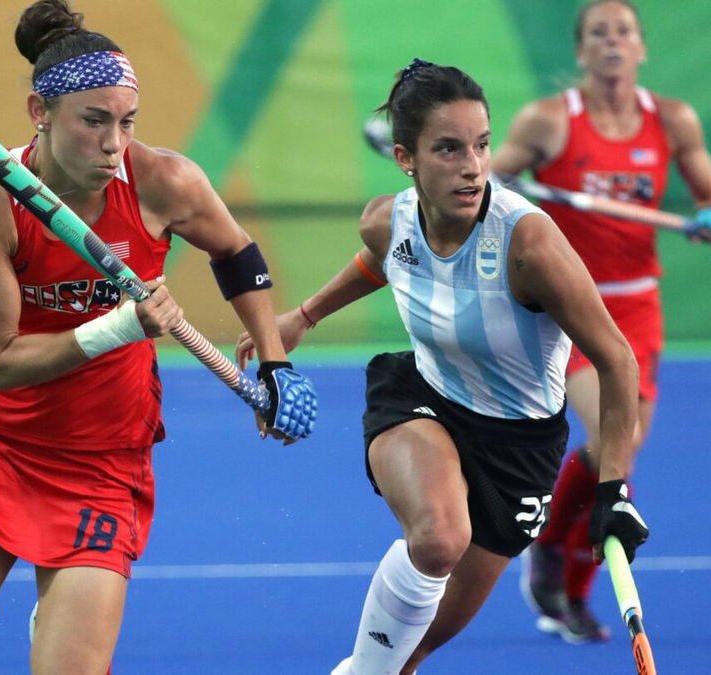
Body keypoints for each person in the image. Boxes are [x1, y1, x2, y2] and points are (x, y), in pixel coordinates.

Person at [0, 1, 316, 672]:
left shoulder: (163, 182)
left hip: (103, 458)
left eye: (126, 122)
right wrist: (120, 326)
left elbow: (238, 254)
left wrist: (274, 364)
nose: (113, 144)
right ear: (39, 112)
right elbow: (2, 361)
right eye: (93, 121)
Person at [236, 58, 647, 675]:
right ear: (407, 158)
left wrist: (613, 488)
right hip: (424, 399)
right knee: (438, 539)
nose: (473, 165)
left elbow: (617, 361)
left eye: (481, 145)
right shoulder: (387, 218)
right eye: (449, 149)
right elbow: (384, 258)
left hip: (519, 447)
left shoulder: (528, 245)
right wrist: (304, 316)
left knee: (412, 654)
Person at [492, 0, 711, 644]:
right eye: (598, 32)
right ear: (580, 51)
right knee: (609, 441)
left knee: (618, 460)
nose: (611, 42)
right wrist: (504, 182)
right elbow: (486, 186)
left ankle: (568, 591)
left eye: (623, 32)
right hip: (568, 304)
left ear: (641, 48)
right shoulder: (549, 122)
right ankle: (548, 551)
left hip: (637, 304)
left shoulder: (672, 120)